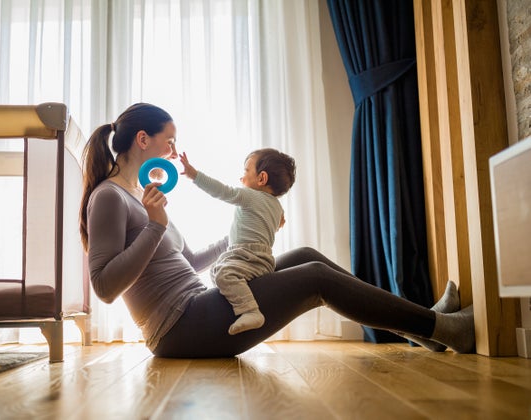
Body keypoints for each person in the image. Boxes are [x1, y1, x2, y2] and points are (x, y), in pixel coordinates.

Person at [79, 102, 475, 359]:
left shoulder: (140, 195)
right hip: (179, 329)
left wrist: (255, 226)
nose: (173, 151)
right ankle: (441, 329)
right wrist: (154, 228)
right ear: (143, 140)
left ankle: (425, 327)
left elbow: (190, 263)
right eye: (169, 142)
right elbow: (105, 287)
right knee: (316, 279)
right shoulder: (109, 197)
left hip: (200, 305)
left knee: (305, 257)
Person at [178, 149, 295, 335]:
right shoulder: (277, 206)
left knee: (223, 274)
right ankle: (238, 304)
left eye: (246, 171)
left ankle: (250, 311)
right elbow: (273, 224)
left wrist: (194, 175)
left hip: (246, 255)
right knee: (217, 270)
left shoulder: (249, 196)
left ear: (262, 179)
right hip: (262, 258)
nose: (242, 178)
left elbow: (221, 191)